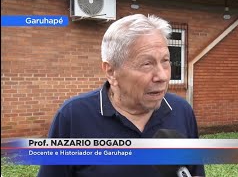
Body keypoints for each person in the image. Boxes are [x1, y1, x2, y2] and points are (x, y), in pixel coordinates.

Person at [37, 14, 205, 177]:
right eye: (147, 63)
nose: (162, 76)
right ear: (111, 71)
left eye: (166, 61)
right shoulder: (73, 116)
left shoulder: (182, 111)